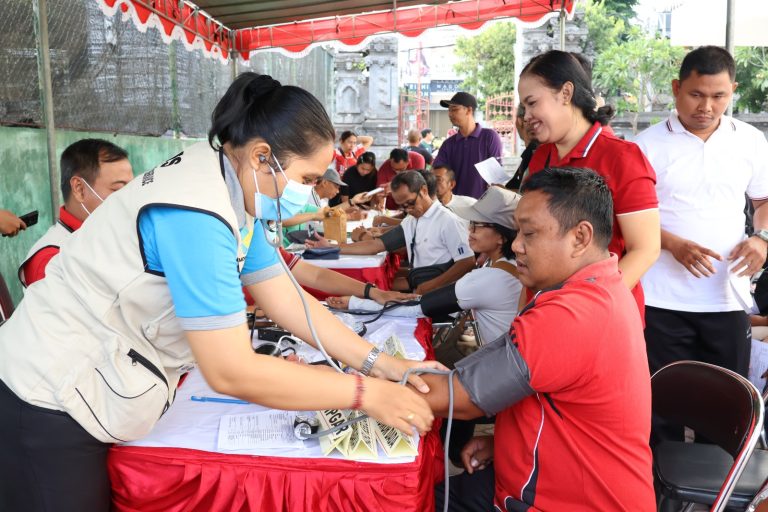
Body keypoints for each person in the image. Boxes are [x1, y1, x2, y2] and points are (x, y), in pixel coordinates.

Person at [0, 73, 437, 512]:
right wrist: (365, 394)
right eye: (306, 177)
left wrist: (382, 364)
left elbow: (287, 298)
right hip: (46, 397)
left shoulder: (228, 190)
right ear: (263, 156)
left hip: (87, 386)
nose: (310, 192)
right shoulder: (197, 211)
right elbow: (231, 370)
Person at [421, 167, 655, 512]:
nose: (516, 246)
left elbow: (458, 397)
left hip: (562, 502)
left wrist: (363, 382)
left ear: (580, 237)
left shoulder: (572, 314)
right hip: (548, 480)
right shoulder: (602, 287)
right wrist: (502, 442)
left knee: (411, 496)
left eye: (528, 234)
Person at [634, 46, 768, 443]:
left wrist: (761, 238)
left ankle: (717, 499)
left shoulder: (750, 141)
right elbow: (628, 216)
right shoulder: (646, 145)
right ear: (676, 88)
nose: (707, 106)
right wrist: (673, 244)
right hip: (661, 300)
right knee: (660, 413)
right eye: (696, 94)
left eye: (719, 96)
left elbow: (762, 201)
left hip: (726, 299)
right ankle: (663, 499)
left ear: (733, 91)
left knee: (725, 412)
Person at [520, 50, 660, 319]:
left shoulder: (622, 158)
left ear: (565, 93)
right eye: (524, 107)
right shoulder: (540, 158)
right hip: (543, 312)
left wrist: (588, 307)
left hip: (600, 318)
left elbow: (645, 248)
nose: (526, 116)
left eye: (532, 103)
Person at [328, 186, 521, 345]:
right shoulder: (508, 265)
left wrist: (355, 303)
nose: (470, 231)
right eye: (471, 224)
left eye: (478, 226)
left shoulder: (489, 278)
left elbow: (417, 307)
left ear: (501, 236)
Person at [307, 171, 474, 294]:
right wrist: (331, 248)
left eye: (410, 203)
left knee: (371, 291)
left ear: (423, 190)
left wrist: (431, 286)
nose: (408, 209)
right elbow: (376, 245)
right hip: (420, 283)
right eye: (402, 206)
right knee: (365, 287)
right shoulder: (413, 219)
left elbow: (467, 262)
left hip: (439, 291)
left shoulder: (447, 220)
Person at [18, 139, 134, 287]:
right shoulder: (51, 259)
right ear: (79, 189)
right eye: (118, 189)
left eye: (131, 189)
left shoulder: (109, 237)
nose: (128, 198)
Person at [433, 91, 503, 199]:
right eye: (449, 110)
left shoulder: (489, 137)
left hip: (483, 207)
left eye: (455, 109)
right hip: (455, 207)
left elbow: (496, 177)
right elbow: (437, 171)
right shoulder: (448, 144)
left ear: (469, 110)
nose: (450, 114)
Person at [505, 104, 539, 191]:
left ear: (519, 121)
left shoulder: (535, 152)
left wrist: (503, 191)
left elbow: (528, 194)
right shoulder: (532, 151)